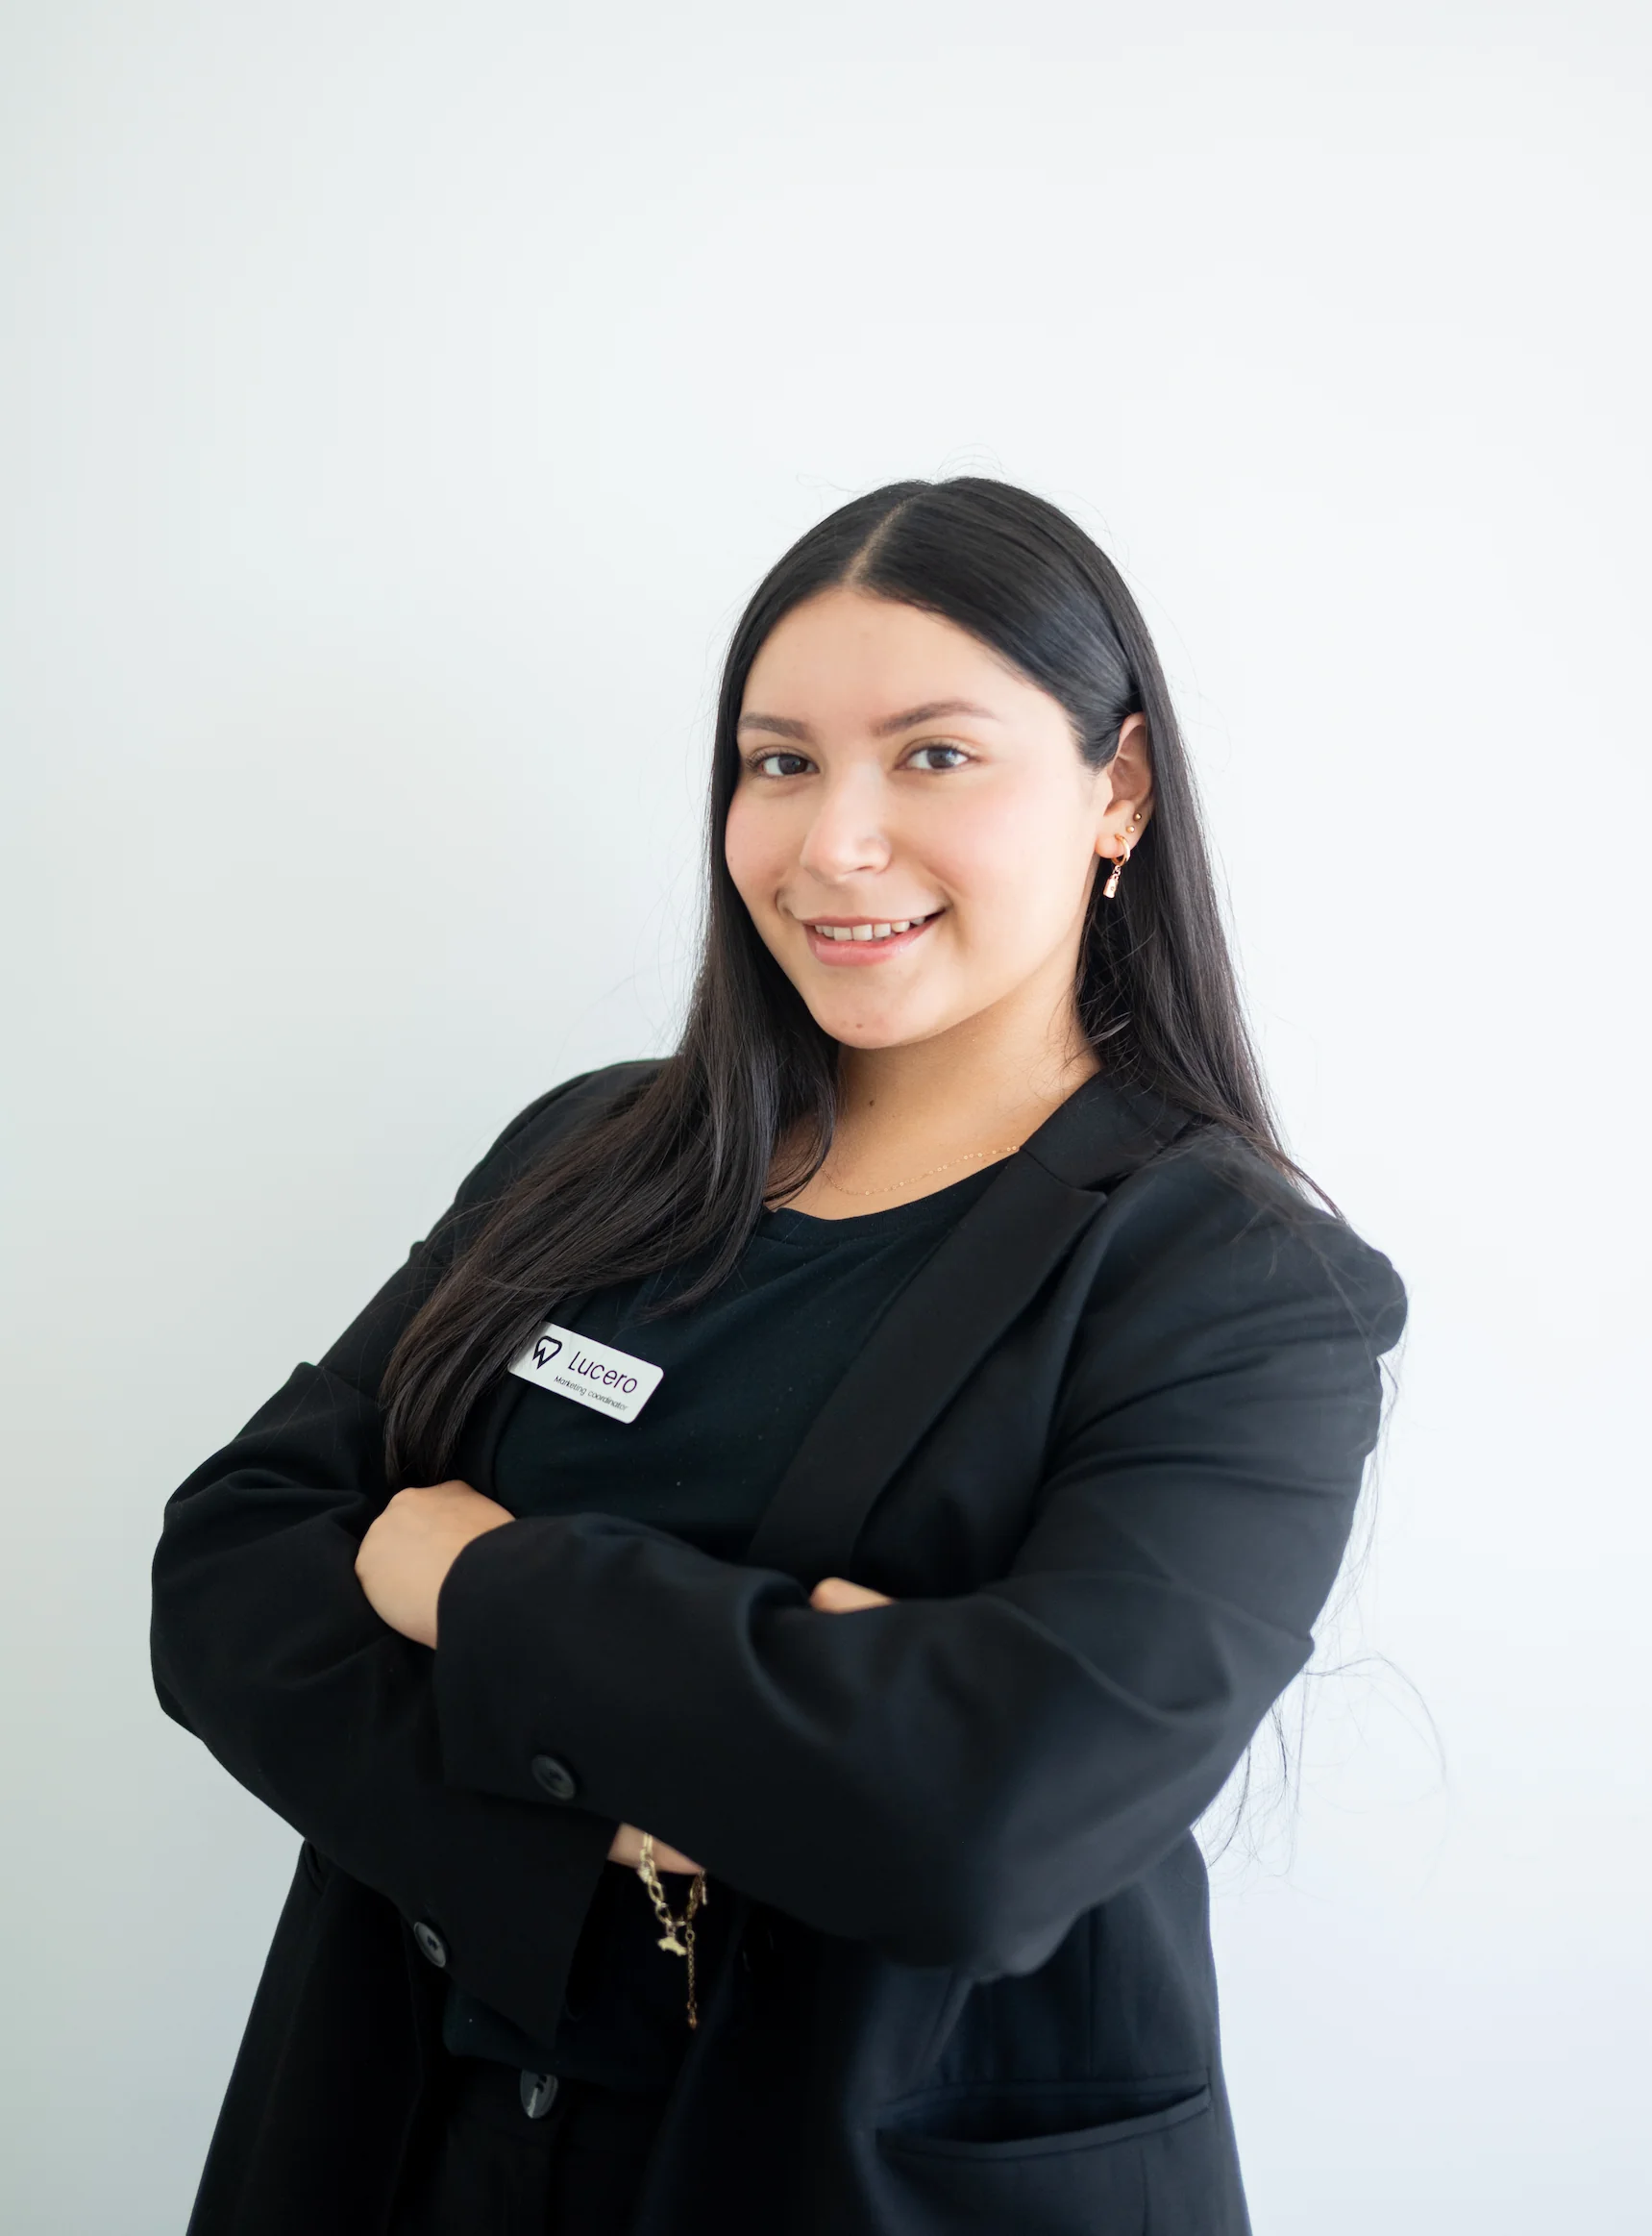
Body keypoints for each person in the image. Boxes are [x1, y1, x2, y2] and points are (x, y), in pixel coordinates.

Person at [150, 475, 1407, 2236]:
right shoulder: (588, 1156)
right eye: (780, 760)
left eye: (935, 756)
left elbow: (988, 1821)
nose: (833, 842)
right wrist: (652, 1805)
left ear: (1114, 787)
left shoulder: (1239, 1284)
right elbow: (231, 1565)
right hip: (415, 2145)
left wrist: (479, 1582)